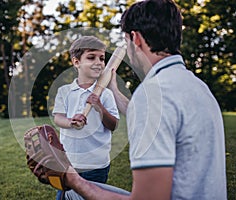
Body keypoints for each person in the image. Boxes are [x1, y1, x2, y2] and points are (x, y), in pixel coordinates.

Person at [62, 0, 227, 199]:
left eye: (126, 41)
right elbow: (149, 114)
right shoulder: (197, 87)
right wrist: (114, 89)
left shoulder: (152, 95)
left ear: (136, 38)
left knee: (72, 193)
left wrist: (73, 179)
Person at [52, 36, 120, 199]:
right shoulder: (64, 91)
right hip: (69, 165)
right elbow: (58, 118)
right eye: (91, 57)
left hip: (96, 166)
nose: (98, 62)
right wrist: (70, 122)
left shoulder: (106, 94)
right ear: (76, 62)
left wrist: (99, 107)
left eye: (102, 58)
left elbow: (114, 125)